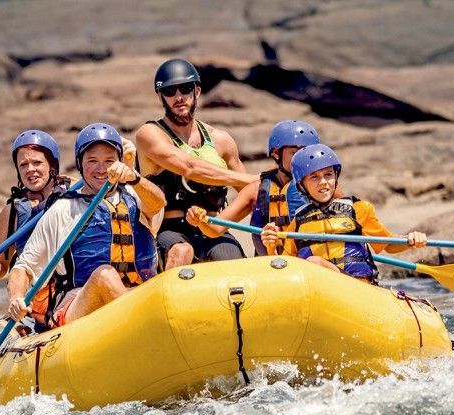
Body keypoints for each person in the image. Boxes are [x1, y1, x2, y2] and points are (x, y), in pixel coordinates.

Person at [8, 123, 166, 328]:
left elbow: (158, 204)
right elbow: (23, 267)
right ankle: (144, 331)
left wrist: (135, 177)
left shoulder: (136, 196)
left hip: (137, 294)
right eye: (92, 161)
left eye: (109, 161)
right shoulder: (63, 209)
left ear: (119, 162)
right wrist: (16, 299)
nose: (101, 169)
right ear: (80, 164)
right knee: (104, 276)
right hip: (80, 302)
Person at [135, 58, 258, 268]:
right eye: (170, 91)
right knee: (182, 251)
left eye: (185, 89)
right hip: (169, 230)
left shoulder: (221, 140)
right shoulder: (149, 134)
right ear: (160, 96)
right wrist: (255, 178)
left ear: (197, 91)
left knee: (231, 262)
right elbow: (188, 167)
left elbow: (251, 192)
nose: (179, 97)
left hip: (213, 226)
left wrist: (217, 226)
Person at [260, 144, 427, 283]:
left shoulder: (358, 209)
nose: (323, 182)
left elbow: (388, 245)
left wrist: (409, 240)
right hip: (317, 290)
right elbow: (285, 265)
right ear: (302, 184)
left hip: (356, 286)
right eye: (314, 177)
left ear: (336, 176)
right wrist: (271, 246)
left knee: (313, 262)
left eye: (328, 175)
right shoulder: (299, 221)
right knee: (311, 264)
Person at [185, 119, 320, 255]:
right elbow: (215, 229)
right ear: (275, 153)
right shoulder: (255, 190)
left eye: (308, 152)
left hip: (309, 267)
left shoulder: (323, 188)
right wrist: (200, 220)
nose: (304, 158)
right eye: (295, 152)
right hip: (269, 266)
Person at [0, 129, 70, 280]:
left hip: (75, 288)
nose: (30, 169)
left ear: (52, 165)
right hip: (36, 296)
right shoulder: (12, 212)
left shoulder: (75, 194)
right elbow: (0, 268)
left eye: (37, 162)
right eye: (23, 165)